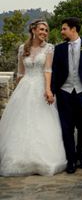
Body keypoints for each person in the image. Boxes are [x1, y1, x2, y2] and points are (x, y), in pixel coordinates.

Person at [0, 19, 67, 176]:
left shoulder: (49, 49)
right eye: (42, 29)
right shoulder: (23, 48)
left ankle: (43, 159)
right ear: (33, 30)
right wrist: (16, 92)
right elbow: (20, 73)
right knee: (21, 122)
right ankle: (19, 158)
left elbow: (48, 70)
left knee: (42, 121)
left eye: (46, 30)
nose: (44, 32)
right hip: (24, 88)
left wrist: (48, 90)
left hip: (40, 87)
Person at [51, 17, 82, 174]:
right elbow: (55, 73)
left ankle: (81, 154)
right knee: (66, 128)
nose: (61, 31)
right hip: (64, 93)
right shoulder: (59, 49)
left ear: (73, 29)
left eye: (64, 28)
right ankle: (71, 159)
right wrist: (52, 91)